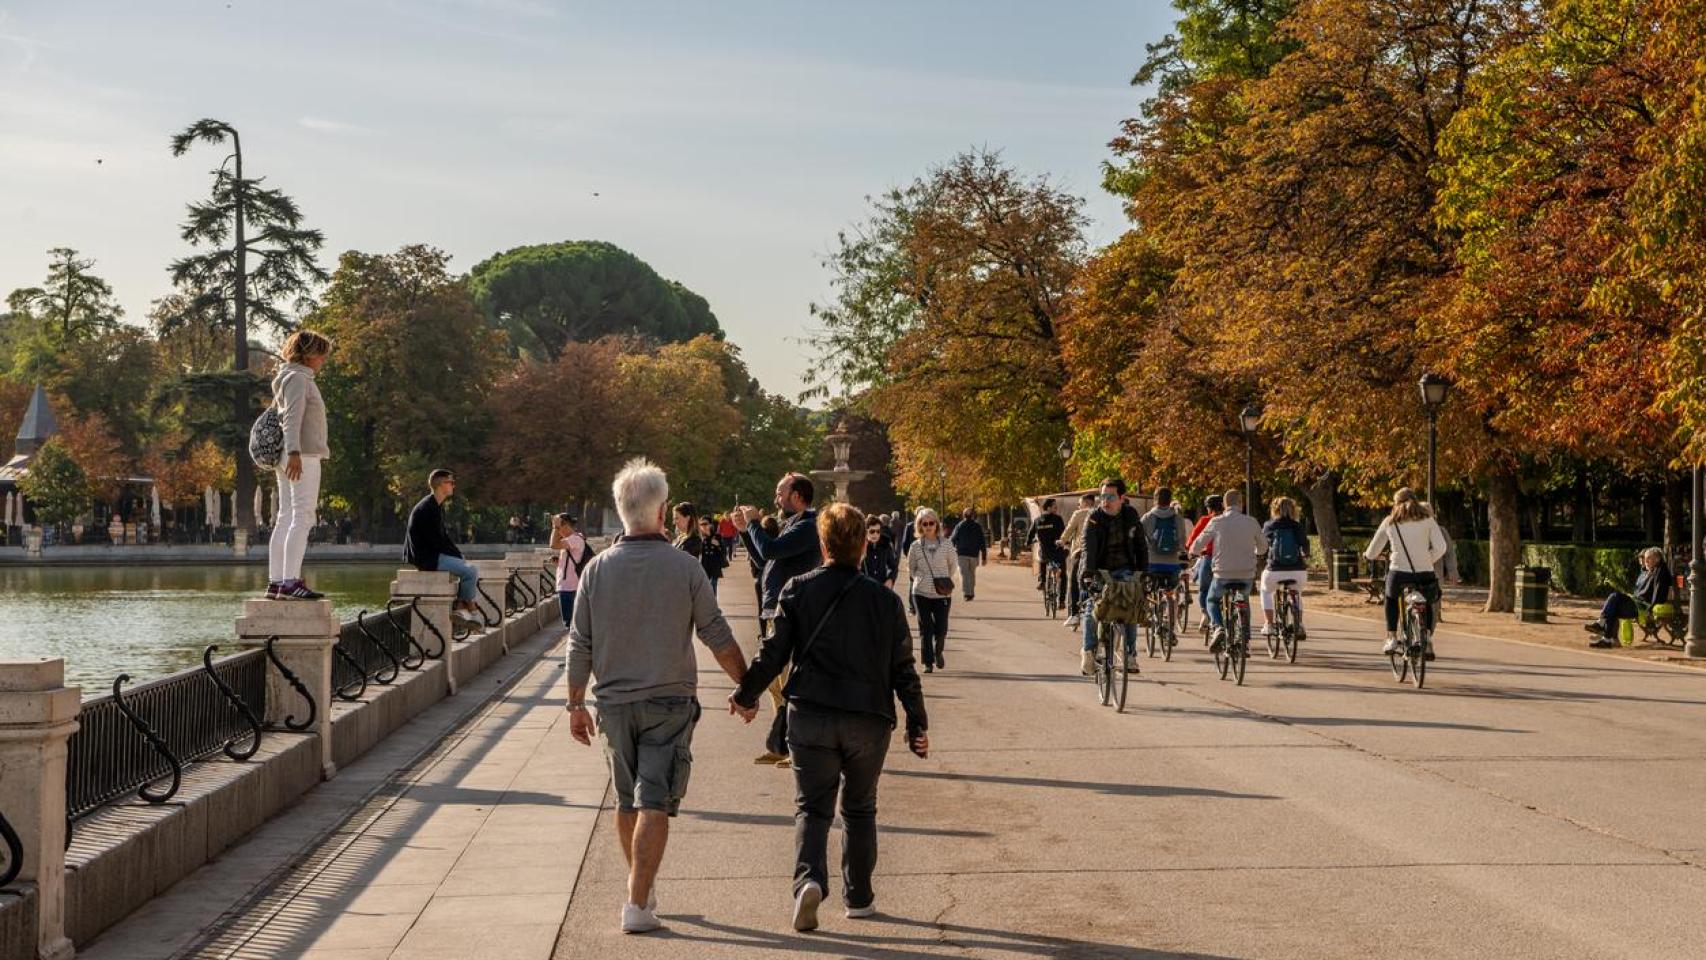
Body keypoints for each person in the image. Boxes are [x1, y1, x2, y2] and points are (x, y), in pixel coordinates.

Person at [567, 458, 751, 935]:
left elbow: (579, 642)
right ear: (663, 511)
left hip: (612, 704)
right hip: (668, 701)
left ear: (622, 510)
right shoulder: (684, 568)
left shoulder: (596, 571)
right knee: (654, 801)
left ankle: (642, 889)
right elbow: (716, 634)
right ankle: (635, 901)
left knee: (627, 801)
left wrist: (574, 704)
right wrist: (746, 687)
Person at [730, 503, 929, 931]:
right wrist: (917, 722)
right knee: (860, 809)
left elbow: (773, 654)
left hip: (812, 714)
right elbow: (903, 668)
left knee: (812, 808)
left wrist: (744, 694)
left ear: (823, 545)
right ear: (862, 545)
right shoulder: (885, 600)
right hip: (868, 718)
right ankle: (858, 897)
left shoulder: (797, 589)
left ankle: (809, 881)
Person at [733, 473, 822, 763]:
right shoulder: (792, 524)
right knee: (775, 682)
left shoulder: (808, 526)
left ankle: (791, 745)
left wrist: (755, 523)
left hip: (791, 610)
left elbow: (771, 549)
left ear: (797, 496)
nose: (776, 498)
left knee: (784, 679)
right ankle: (781, 742)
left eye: (780, 492)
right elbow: (764, 560)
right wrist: (746, 532)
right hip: (774, 609)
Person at [266, 329, 332, 600]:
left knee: (286, 516)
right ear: (310, 354)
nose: (323, 361)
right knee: (302, 516)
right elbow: (291, 419)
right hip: (301, 455)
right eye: (322, 355)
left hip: (292, 454)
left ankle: (277, 582)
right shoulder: (298, 379)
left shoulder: (288, 377)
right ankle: (290, 582)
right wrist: (294, 451)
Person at [1362, 487, 1448, 657]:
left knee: (1391, 597)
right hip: (1424, 572)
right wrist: (1426, 559)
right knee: (1427, 600)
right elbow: (1441, 547)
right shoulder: (1428, 520)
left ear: (1396, 503)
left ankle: (1392, 637)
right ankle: (1428, 637)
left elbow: (1373, 551)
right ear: (1415, 500)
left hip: (1399, 572)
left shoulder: (1390, 521)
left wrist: (1368, 555)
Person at [1078, 478, 1148, 675]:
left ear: (1122, 498)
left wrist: (1144, 573)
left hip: (1124, 568)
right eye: (1102, 496)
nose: (1105, 501)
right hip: (1099, 570)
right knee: (1093, 609)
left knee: (1131, 605)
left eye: (1110, 496)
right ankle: (1089, 653)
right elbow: (1088, 548)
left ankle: (1130, 654)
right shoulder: (1094, 517)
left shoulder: (1131, 515)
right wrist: (1088, 575)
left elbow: (1141, 546)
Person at [404, 469, 483, 626]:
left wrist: (458, 556)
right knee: (470, 571)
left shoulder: (435, 505)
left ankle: (462, 606)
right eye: (451, 482)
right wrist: (457, 557)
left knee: (466, 567)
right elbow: (437, 541)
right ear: (441, 485)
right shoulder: (427, 508)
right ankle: (468, 607)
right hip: (427, 558)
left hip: (432, 555)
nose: (454, 485)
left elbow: (443, 538)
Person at [1189, 489, 1265, 653]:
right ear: (1241, 503)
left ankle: (1218, 628)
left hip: (1222, 574)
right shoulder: (1251, 522)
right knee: (1244, 601)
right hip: (1246, 574)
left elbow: (1198, 544)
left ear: (1224, 505)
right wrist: (1257, 552)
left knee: (1211, 600)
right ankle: (1245, 639)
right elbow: (1263, 547)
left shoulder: (1216, 521)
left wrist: (1193, 553)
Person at [1586, 547, 1672, 647]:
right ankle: (1607, 639)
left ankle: (1602, 625)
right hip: (1638, 604)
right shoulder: (1651, 571)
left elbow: (1659, 592)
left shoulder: (1660, 572)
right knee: (1613, 607)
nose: (1645, 561)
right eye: (1645, 559)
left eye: (1648, 558)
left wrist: (1651, 610)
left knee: (1614, 597)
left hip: (1642, 607)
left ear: (1657, 559)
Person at [906, 507, 955, 673]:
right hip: (920, 592)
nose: (928, 526)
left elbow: (952, 565)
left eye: (930, 523)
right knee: (925, 628)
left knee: (941, 628)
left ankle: (937, 651)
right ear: (919, 525)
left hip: (942, 592)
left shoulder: (947, 544)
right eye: (924, 523)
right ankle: (928, 662)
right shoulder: (915, 546)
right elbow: (911, 568)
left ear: (936, 524)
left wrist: (943, 579)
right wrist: (921, 579)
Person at [1259, 496, 1310, 641]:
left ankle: (1269, 624)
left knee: (1265, 590)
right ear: (1293, 510)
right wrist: (1306, 555)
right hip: (1297, 570)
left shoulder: (1269, 525)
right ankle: (1298, 624)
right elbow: (1305, 546)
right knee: (1297, 593)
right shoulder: (1297, 526)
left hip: (1274, 569)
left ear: (1274, 509)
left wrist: (1260, 555)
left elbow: (1262, 546)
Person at [1140, 486, 1191, 602]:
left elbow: (1139, 539)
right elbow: (1182, 539)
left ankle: (1147, 609)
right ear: (1170, 500)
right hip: (1173, 564)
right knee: (1172, 588)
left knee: (1145, 589)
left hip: (1152, 563)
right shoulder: (1178, 518)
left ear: (1155, 500)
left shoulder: (1147, 517)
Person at [1060, 493, 1098, 630]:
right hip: (1098, 554)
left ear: (1085, 503)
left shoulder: (1079, 513)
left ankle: (1074, 614)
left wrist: (1062, 540)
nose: (1079, 505)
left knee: (1074, 581)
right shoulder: (1100, 513)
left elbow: (1069, 530)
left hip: (1081, 551)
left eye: (1079, 503)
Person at [1186, 495, 1224, 621]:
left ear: (1209, 508)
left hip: (1209, 557)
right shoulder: (1227, 519)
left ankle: (1206, 613)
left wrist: (1189, 550)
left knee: (1204, 587)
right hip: (1225, 559)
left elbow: (1192, 539)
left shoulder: (1205, 520)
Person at [551, 513, 590, 628]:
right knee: (572, 624)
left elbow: (553, 544)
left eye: (559, 527)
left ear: (566, 525)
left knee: (570, 625)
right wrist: (559, 562)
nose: (558, 531)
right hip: (569, 586)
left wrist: (555, 527)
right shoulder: (573, 539)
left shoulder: (575, 539)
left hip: (569, 587)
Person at [1026, 498, 1067, 592]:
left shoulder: (1037, 520)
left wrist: (1028, 542)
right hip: (1057, 552)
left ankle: (1042, 581)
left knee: (1042, 558)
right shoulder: (1058, 519)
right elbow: (1064, 533)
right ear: (1048, 508)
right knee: (1063, 575)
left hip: (1044, 552)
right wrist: (1066, 541)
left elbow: (1031, 533)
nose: (1056, 509)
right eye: (1054, 507)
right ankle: (1061, 601)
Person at [947, 507, 988, 601]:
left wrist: (950, 551)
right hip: (974, 554)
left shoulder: (959, 526)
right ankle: (971, 592)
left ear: (963, 515)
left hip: (962, 554)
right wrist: (984, 557)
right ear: (973, 515)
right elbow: (982, 542)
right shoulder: (977, 526)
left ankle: (967, 593)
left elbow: (953, 539)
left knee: (964, 574)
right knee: (971, 574)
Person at [861, 515, 898, 589]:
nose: (875, 534)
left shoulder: (886, 543)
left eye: (878, 531)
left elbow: (893, 567)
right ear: (866, 531)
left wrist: (890, 579)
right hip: (864, 588)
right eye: (872, 531)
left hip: (881, 587)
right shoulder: (860, 545)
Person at [696, 514, 728, 596]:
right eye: (701, 524)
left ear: (710, 525)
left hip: (715, 566)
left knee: (713, 585)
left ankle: (713, 605)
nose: (703, 526)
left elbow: (724, 551)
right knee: (705, 587)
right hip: (703, 565)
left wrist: (718, 545)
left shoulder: (717, 536)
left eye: (705, 524)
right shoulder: (699, 538)